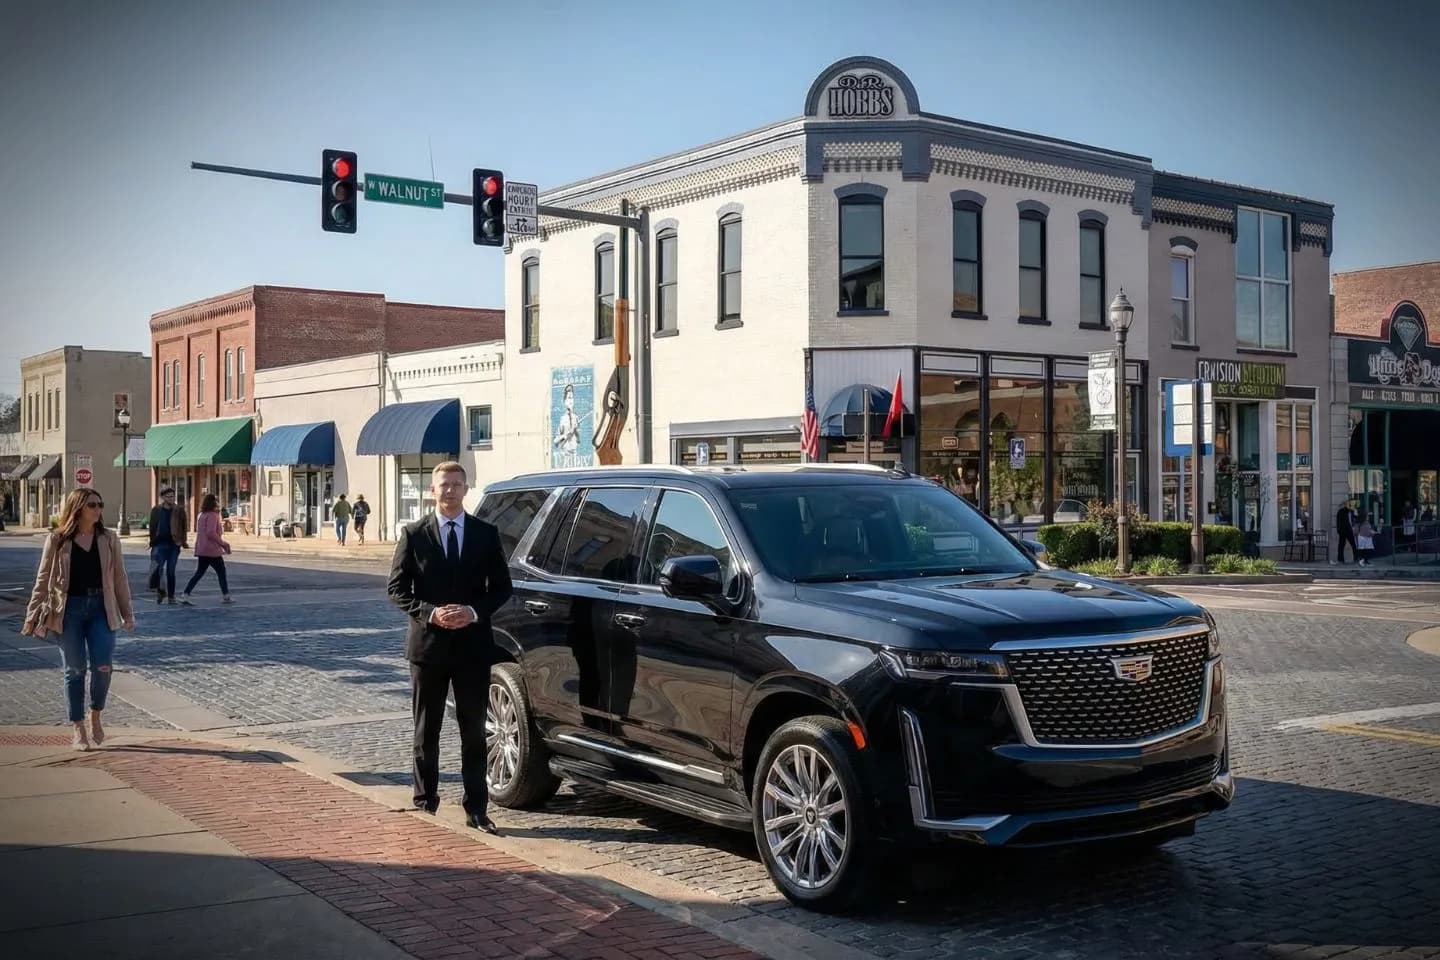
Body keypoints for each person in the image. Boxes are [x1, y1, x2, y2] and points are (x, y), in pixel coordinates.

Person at [388, 461, 512, 834]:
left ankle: (476, 807)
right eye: (443, 485)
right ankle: (425, 801)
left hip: (473, 649)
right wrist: (430, 613)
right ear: (432, 490)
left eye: (456, 484)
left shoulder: (486, 534)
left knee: (473, 730)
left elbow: (502, 588)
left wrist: (474, 612)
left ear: (466, 488)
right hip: (428, 649)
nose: (450, 491)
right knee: (426, 730)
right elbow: (396, 589)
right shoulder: (413, 534)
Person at [21, 487, 135, 751]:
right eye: (92, 505)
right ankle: (78, 727)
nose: (98, 510)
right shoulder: (58, 539)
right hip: (68, 610)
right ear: (78, 507)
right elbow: (43, 578)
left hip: (101, 609)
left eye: (100, 504)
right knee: (74, 670)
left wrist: (127, 613)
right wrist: (31, 615)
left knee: (103, 667)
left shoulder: (108, 539)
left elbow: (119, 578)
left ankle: (96, 713)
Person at [180, 494, 234, 605]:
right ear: (214, 503)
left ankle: (185, 594)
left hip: (202, 548)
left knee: (200, 572)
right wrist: (223, 544)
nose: (218, 503)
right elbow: (211, 532)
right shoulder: (213, 515)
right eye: (217, 501)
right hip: (212, 549)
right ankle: (226, 595)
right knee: (221, 571)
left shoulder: (201, 515)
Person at [148, 486, 189, 604]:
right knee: (158, 570)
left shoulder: (179, 510)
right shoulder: (156, 510)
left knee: (171, 571)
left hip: (174, 545)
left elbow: (183, 526)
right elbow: (152, 527)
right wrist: (152, 541)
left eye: (172, 496)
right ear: (163, 498)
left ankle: (171, 596)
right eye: (168, 496)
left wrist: (182, 541)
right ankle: (161, 593)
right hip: (160, 544)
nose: (171, 499)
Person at [1333, 500, 1357, 565]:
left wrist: (1354, 528)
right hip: (1343, 531)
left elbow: (1353, 520)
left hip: (1349, 530)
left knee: (1353, 545)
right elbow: (1338, 522)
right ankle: (1341, 560)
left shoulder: (1351, 511)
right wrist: (1339, 530)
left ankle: (1356, 559)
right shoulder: (1341, 511)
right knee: (1341, 545)